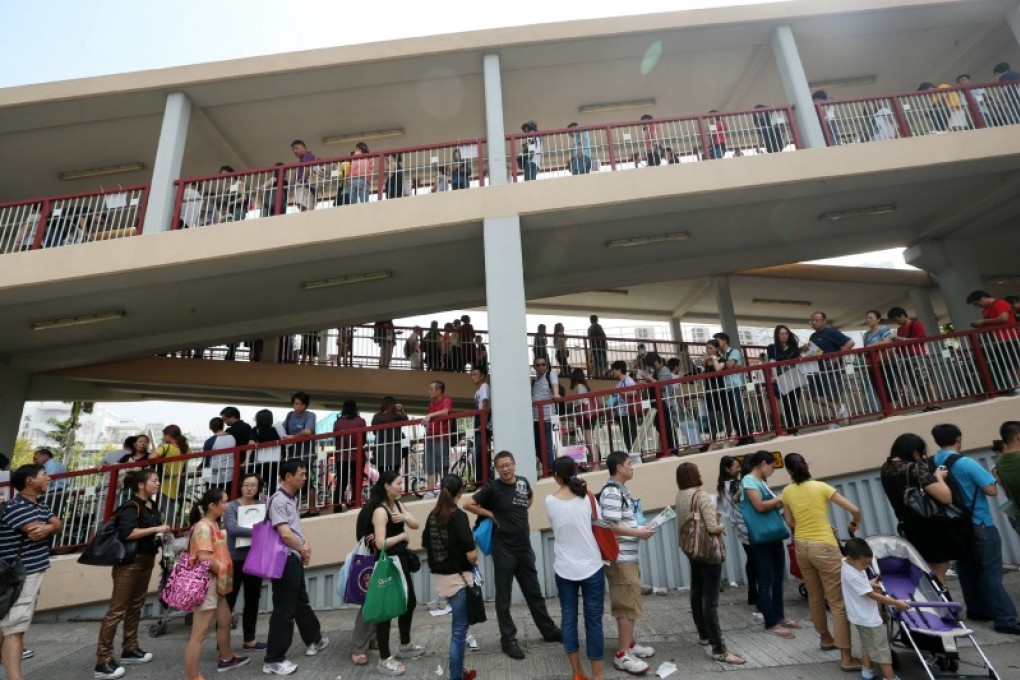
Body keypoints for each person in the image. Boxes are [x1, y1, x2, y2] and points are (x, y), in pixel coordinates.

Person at [464, 451, 560, 660]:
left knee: (534, 592)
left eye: (508, 465)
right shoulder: (492, 488)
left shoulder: (523, 482)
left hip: (524, 548)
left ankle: (549, 631)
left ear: (514, 465)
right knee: (504, 598)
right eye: (501, 466)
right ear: (496, 469)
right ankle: (508, 640)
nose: (505, 469)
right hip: (503, 549)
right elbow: (468, 504)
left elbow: (529, 499)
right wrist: (490, 514)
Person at [931, 423, 1020, 634]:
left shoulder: (932, 462)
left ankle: (976, 608)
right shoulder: (966, 463)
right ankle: (1005, 618)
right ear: (958, 439)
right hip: (979, 521)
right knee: (990, 570)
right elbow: (990, 490)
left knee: (966, 567)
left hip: (953, 525)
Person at [781, 453, 863, 672]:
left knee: (815, 595)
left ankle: (826, 638)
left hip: (802, 547)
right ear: (807, 466)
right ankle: (846, 657)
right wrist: (855, 523)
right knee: (836, 601)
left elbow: (790, 522)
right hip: (824, 547)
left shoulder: (787, 492)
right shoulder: (821, 487)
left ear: (788, 471)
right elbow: (854, 509)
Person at [95, 468, 170, 679]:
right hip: (129, 562)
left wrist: (161, 534)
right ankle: (103, 660)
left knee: (136, 606)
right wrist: (156, 529)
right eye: (154, 481)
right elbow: (128, 533)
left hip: (147, 559)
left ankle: (130, 648)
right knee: (116, 610)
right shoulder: (130, 507)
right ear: (141, 485)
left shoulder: (152, 505)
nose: (157, 484)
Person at [263, 459, 330, 675]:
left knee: (300, 601)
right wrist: (302, 549)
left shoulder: (291, 498)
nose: (304, 477)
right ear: (288, 476)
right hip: (284, 559)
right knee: (284, 609)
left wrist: (304, 546)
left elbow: (294, 529)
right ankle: (273, 659)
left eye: (304, 473)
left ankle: (315, 639)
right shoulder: (278, 500)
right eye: (301, 473)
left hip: (292, 556)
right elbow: (284, 532)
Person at [675, 462, 746, 665]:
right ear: (695, 475)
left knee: (697, 591)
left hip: (691, 549)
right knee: (710, 601)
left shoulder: (680, 495)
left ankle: (703, 634)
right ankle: (719, 649)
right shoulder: (701, 495)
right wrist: (721, 524)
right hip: (707, 551)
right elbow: (713, 527)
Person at [358, 470, 424, 675]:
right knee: (386, 611)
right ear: (386, 486)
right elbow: (380, 543)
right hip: (388, 563)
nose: (401, 486)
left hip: (401, 561)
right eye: (397, 483)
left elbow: (416, 524)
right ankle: (384, 658)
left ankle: (405, 645)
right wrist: (403, 535)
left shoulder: (397, 504)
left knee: (409, 602)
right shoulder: (380, 511)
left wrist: (405, 516)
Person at [545, 457, 605, 680]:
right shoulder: (588, 497)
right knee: (594, 620)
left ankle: (577, 673)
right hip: (592, 565)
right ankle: (598, 675)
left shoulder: (550, 501)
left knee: (568, 618)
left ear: (556, 476)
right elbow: (598, 522)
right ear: (576, 471)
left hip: (564, 568)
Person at [0, 465, 62, 680]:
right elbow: (35, 531)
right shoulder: (15, 507)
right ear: (29, 480)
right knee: (15, 630)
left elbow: (57, 524)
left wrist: (49, 527)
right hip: (21, 574)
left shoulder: (41, 504)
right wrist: (46, 527)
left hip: (31, 572)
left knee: (9, 625)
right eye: (44, 475)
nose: (49, 477)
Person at [598, 452, 657, 674]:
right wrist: (638, 533)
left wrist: (640, 529)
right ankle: (622, 654)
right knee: (626, 605)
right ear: (618, 468)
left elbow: (622, 522)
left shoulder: (620, 490)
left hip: (626, 557)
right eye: (628, 464)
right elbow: (611, 526)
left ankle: (629, 644)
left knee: (630, 602)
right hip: (620, 558)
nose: (632, 467)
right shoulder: (612, 491)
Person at [183, 488, 250, 680]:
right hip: (208, 585)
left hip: (217, 585)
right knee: (199, 634)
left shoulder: (213, 524)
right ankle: (193, 676)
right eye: (224, 502)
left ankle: (227, 657)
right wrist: (222, 570)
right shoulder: (203, 527)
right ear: (212, 506)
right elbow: (204, 557)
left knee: (226, 620)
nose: (227, 505)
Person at [879, 433, 959, 584]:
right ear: (915, 452)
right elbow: (945, 497)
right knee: (938, 570)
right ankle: (942, 605)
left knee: (923, 569)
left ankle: (931, 603)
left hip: (907, 525)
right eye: (921, 453)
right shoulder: (914, 469)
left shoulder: (886, 469)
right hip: (928, 525)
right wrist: (939, 477)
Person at [424, 474, 479, 680]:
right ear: (460, 492)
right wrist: (475, 561)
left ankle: (460, 670)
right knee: (459, 633)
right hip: (459, 580)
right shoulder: (458, 516)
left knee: (459, 629)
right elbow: (471, 554)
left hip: (442, 579)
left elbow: (425, 543)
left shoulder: (432, 515)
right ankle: (456, 676)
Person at [741, 450, 800, 638]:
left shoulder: (761, 483)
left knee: (777, 576)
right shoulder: (749, 481)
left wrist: (778, 502)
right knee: (766, 578)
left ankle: (779, 614)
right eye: (771, 467)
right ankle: (770, 621)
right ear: (763, 463)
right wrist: (781, 498)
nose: (772, 470)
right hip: (762, 535)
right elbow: (758, 506)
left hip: (771, 534)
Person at [841, 539, 908, 680]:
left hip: (859, 616)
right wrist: (897, 603)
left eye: (868, 563)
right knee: (882, 651)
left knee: (868, 644)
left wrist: (868, 583)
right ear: (850, 559)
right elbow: (872, 596)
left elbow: (860, 587)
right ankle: (890, 678)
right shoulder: (854, 575)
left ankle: (868, 670)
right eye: (864, 564)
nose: (866, 567)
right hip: (869, 619)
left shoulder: (846, 564)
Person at [224, 473, 267, 652]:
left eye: (253, 486)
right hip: (235, 558)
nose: (249, 488)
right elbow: (232, 529)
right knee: (229, 600)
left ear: (258, 488)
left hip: (255, 556)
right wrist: (257, 531)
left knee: (253, 599)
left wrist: (260, 530)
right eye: (246, 485)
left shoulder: (261, 506)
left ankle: (250, 639)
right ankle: (223, 643)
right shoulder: (232, 506)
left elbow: (268, 526)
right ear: (240, 486)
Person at [716, 456, 757, 610]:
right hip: (746, 525)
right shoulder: (735, 485)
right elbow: (737, 500)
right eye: (736, 467)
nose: (739, 469)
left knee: (751, 559)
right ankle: (754, 593)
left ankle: (752, 593)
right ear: (727, 469)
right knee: (755, 559)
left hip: (738, 526)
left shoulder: (722, 485)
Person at [803, 311, 854, 427]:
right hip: (816, 370)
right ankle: (839, 409)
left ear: (824, 321)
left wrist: (836, 356)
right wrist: (807, 348)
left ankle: (839, 421)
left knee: (832, 395)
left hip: (831, 369)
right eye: (811, 321)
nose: (813, 323)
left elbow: (850, 343)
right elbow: (815, 353)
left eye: (816, 320)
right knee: (812, 395)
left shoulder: (831, 332)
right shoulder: (813, 336)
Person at [966, 290, 1020, 391]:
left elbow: (1004, 318)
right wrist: (981, 324)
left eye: (977, 303)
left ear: (982, 298)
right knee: (1007, 364)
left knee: (1015, 363)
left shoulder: (1000, 303)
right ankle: (1014, 385)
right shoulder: (985, 310)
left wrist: (984, 321)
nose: (978, 306)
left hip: (1009, 338)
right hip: (996, 341)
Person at [711, 333, 754, 446]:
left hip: (735, 386)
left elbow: (730, 365)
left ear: (724, 341)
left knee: (739, 412)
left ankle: (748, 436)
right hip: (727, 388)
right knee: (733, 414)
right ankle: (741, 436)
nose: (716, 343)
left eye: (718, 340)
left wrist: (725, 363)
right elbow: (728, 365)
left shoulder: (734, 352)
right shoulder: (722, 354)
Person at [767, 324, 803, 435]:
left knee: (795, 402)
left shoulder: (794, 347)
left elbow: (800, 358)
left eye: (786, 333)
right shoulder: (772, 347)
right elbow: (772, 361)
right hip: (781, 378)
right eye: (781, 334)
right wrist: (774, 375)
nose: (784, 336)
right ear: (777, 335)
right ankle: (790, 429)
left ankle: (795, 428)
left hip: (794, 376)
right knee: (787, 403)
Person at [332, 401, 366, 512]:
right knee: (357, 479)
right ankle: (355, 503)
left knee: (341, 480)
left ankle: (337, 505)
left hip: (341, 456)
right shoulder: (361, 421)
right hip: (357, 455)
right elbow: (363, 440)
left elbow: (335, 439)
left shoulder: (338, 423)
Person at [422, 380, 453, 498]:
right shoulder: (432, 403)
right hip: (430, 437)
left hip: (441, 437)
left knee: (442, 464)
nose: (429, 391)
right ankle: (430, 491)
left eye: (431, 389)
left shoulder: (446, 400)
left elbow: (446, 412)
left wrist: (430, 415)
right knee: (430, 464)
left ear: (439, 390)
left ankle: (443, 490)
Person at [153, 425, 189, 526]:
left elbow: (151, 457)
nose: (163, 438)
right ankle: (175, 527)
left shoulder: (166, 447)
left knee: (167, 506)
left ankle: (175, 529)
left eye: (164, 435)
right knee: (172, 505)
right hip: (180, 480)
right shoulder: (185, 448)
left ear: (168, 436)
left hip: (167, 481)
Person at [282, 392, 316, 496]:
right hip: (293, 455)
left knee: (306, 481)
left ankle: (312, 509)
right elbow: (283, 429)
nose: (298, 406)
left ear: (306, 405)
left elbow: (308, 431)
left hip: (306, 454)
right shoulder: (290, 415)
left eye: (301, 404)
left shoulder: (310, 415)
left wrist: (293, 436)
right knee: (293, 482)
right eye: (296, 403)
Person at [862, 310, 895, 412]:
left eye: (870, 318)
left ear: (878, 319)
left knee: (888, 386)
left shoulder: (884, 329)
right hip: (872, 364)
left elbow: (887, 341)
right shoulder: (866, 335)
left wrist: (871, 346)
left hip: (885, 362)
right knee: (878, 388)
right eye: (867, 318)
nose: (868, 320)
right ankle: (886, 410)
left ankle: (893, 410)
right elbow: (865, 349)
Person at [532, 355, 559, 472]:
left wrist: (556, 393)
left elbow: (555, 385)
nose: (540, 367)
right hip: (536, 419)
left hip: (548, 417)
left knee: (548, 446)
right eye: (537, 365)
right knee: (538, 448)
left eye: (543, 364)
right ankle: (548, 468)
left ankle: (551, 470)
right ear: (534, 366)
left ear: (546, 365)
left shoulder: (550, 374)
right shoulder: (534, 381)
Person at [251, 409, 286, 497]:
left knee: (256, 483)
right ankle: (272, 503)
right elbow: (283, 445)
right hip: (274, 462)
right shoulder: (275, 430)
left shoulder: (255, 430)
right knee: (272, 484)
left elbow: (251, 443)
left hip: (258, 461)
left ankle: (256, 503)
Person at [569, 368, 599, 467]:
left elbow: (583, 400)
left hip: (586, 415)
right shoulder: (583, 386)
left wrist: (575, 401)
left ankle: (596, 464)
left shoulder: (579, 386)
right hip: (587, 416)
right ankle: (595, 463)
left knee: (589, 441)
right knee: (588, 441)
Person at [610, 360, 641, 453]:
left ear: (619, 369)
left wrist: (620, 392)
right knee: (627, 437)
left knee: (632, 436)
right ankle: (632, 454)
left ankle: (638, 455)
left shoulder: (628, 380)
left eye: (614, 370)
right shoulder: (620, 382)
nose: (613, 372)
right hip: (621, 413)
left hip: (628, 413)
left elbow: (634, 392)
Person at [372, 397, 408, 474]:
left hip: (380, 448)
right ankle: (393, 485)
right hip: (395, 448)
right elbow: (406, 421)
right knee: (394, 473)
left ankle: (383, 486)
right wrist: (402, 410)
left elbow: (374, 432)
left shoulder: (376, 417)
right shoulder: (396, 416)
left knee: (382, 474)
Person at [202, 417, 237, 494]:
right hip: (229, 473)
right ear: (223, 426)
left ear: (211, 427)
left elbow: (206, 460)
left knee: (212, 496)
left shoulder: (210, 441)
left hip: (213, 475)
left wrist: (201, 470)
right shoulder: (232, 438)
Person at [32, 448, 66, 520]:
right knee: (53, 514)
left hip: (54, 492)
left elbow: (49, 479)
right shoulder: (54, 464)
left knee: (48, 515)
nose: (36, 459)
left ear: (46, 456)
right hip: (56, 492)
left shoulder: (51, 464)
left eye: (38, 457)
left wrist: (37, 490)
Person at [471, 367, 491, 481]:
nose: (472, 377)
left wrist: (484, 423)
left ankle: (482, 479)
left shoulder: (484, 387)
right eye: (472, 375)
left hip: (483, 422)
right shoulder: (477, 391)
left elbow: (485, 403)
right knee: (479, 452)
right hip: (479, 421)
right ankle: (481, 478)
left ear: (482, 376)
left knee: (481, 452)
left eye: (475, 374)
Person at [587, 315, 609, 379]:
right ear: (596, 320)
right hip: (601, 346)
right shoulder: (598, 327)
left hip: (594, 347)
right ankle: (604, 374)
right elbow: (604, 336)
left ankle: (597, 374)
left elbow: (589, 338)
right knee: (603, 361)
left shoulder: (590, 328)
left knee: (596, 361)